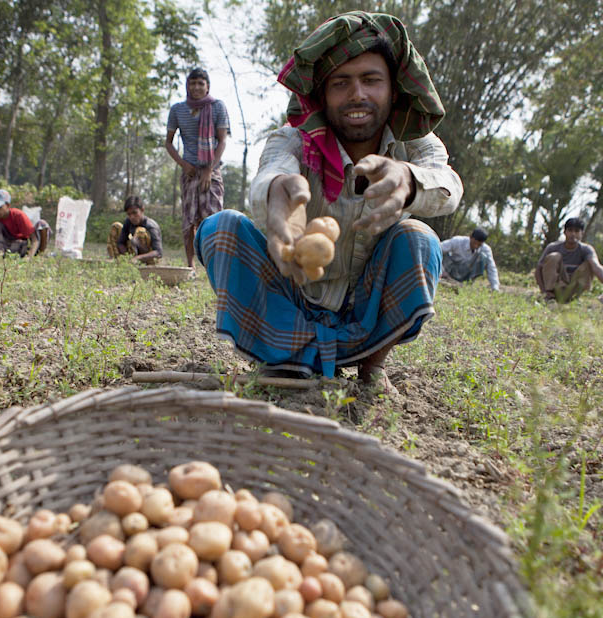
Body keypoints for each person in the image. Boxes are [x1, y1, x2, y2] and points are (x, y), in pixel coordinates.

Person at [195, 11, 462, 391]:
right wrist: (278, 194)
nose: (357, 94)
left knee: (419, 237)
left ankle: (372, 363)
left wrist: (408, 180)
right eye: (341, 83)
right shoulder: (292, 140)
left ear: (392, 90)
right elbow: (272, 171)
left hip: (362, 315)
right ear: (323, 95)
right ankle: (285, 357)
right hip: (291, 298)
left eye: (371, 80)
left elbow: (448, 184)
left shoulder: (414, 145)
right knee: (220, 228)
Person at [165, 68, 229, 270]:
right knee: (189, 219)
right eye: (192, 83)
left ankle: (214, 264)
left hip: (211, 170)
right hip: (189, 170)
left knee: (212, 219)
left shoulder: (217, 107)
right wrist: (183, 165)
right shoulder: (177, 110)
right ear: (187, 86)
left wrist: (210, 169)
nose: (196, 87)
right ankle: (190, 265)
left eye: (201, 83)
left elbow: (222, 141)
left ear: (207, 86)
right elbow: (168, 143)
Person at [535, 217, 603, 302]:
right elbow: (538, 269)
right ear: (564, 232)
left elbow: (597, 266)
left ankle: (575, 297)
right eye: (570, 230)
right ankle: (550, 295)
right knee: (554, 256)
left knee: (590, 263)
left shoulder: (586, 249)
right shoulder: (552, 247)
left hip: (574, 289)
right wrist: (543, 291)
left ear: (582, 233)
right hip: (557, 287)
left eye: (577, 231)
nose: (573, 234)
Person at [0, 189, 48, 258]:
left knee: (18, 244)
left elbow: (35, 240)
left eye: (0, 208)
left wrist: (29, 257)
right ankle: (1, 251)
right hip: (6, 245)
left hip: (20, 245)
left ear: (8, 205)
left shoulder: (18, 215)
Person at [107, 196, 163, 265]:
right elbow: (121, 242)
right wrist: (127, 257)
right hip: (132, 255)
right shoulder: (128, 222)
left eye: (135, 213)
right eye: (129, 214)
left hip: (147, 258)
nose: (132, 217)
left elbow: (158, 252)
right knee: (116, 226)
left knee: (140, 231)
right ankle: (119, 263)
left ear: (142, 210)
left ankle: (144, 266)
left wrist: (137, 258)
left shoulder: (151, 226)